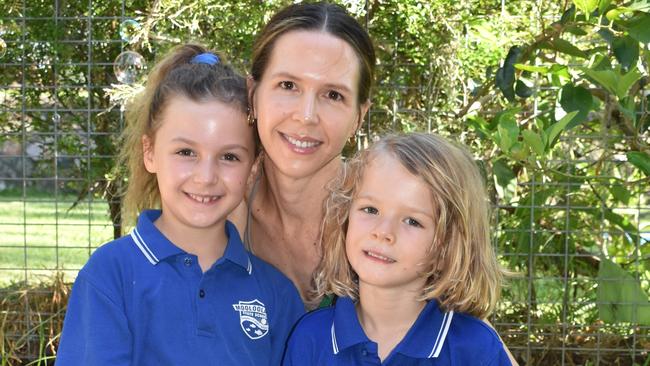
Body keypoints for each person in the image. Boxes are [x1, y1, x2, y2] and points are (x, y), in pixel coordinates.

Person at [56, 44, 304, 366]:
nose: (205, 177)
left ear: (253, 167)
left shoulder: (276, 294)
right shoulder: (110, 275)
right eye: (186, 152)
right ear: (150, 152)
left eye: (229, 157)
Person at [282, 133, 511, 365]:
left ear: (446, 248)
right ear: (345, 216)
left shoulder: (475, 349)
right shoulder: (311, 338)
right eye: (370, 209)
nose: (383, 232)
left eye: (412, 221)